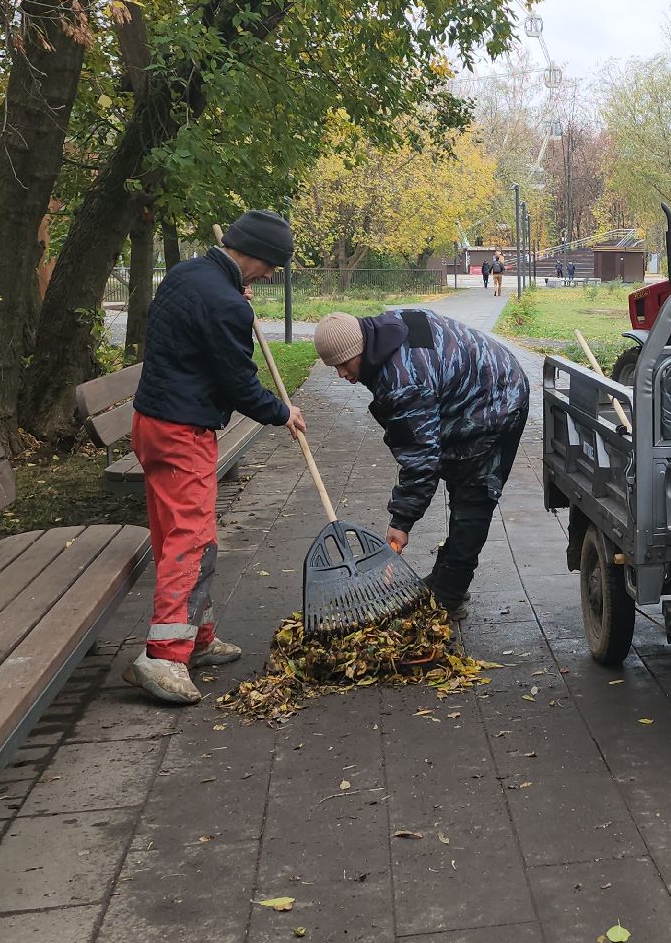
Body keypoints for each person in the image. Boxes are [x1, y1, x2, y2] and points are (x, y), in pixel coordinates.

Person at [124, 210, 306, 705]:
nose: (271, 277)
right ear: (255, 256)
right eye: (271, 267)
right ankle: (164, 657)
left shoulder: (188, 275)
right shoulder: (226, 303)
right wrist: (281, 411)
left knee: (173, 534)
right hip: (184, 431)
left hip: (151, 422)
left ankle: (197, 638)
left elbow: (200, 327)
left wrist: (233, 301)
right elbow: (238, 383)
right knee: (193, 540)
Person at [311, 309, 528, 621]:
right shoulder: (380, 334)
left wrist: (400, 523)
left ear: (359, 349)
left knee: (473, 498)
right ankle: (446, 577)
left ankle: (449, 595)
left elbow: (421, 458)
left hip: (498, 401)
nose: (341, 375)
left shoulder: (403, 380)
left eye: (344, 364)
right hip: (470, 392)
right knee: (458, 479)